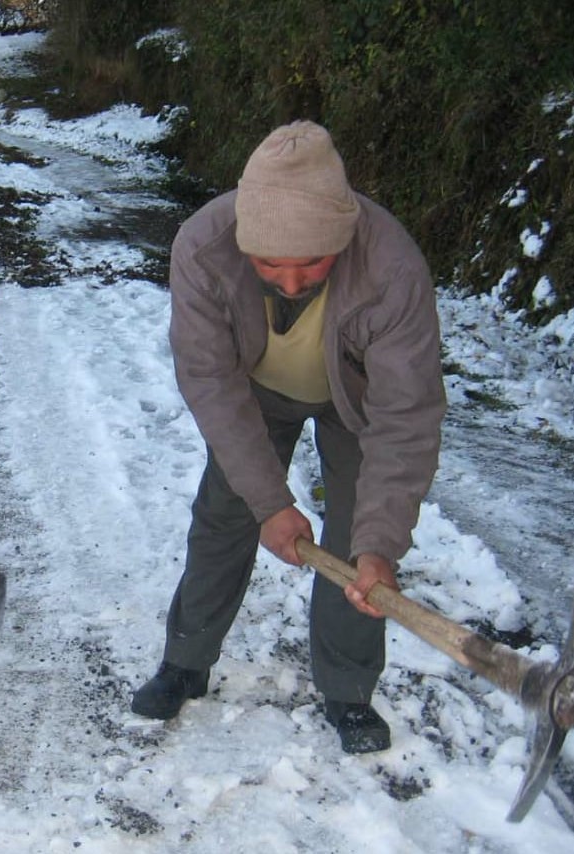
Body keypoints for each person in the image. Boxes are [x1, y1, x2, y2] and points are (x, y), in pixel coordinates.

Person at [131, 120, 445, 754]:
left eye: (313, 263)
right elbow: (211, 382)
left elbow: (405, 415)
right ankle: (186, 660)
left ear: (344, 235)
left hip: (355, 400)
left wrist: (383, 542)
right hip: (254, 392)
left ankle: (349, 690)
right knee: (225, 513)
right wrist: (270, 503)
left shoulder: (392, 267)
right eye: (271, 262)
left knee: (360, 545)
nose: (291, 281)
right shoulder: (203, 247)